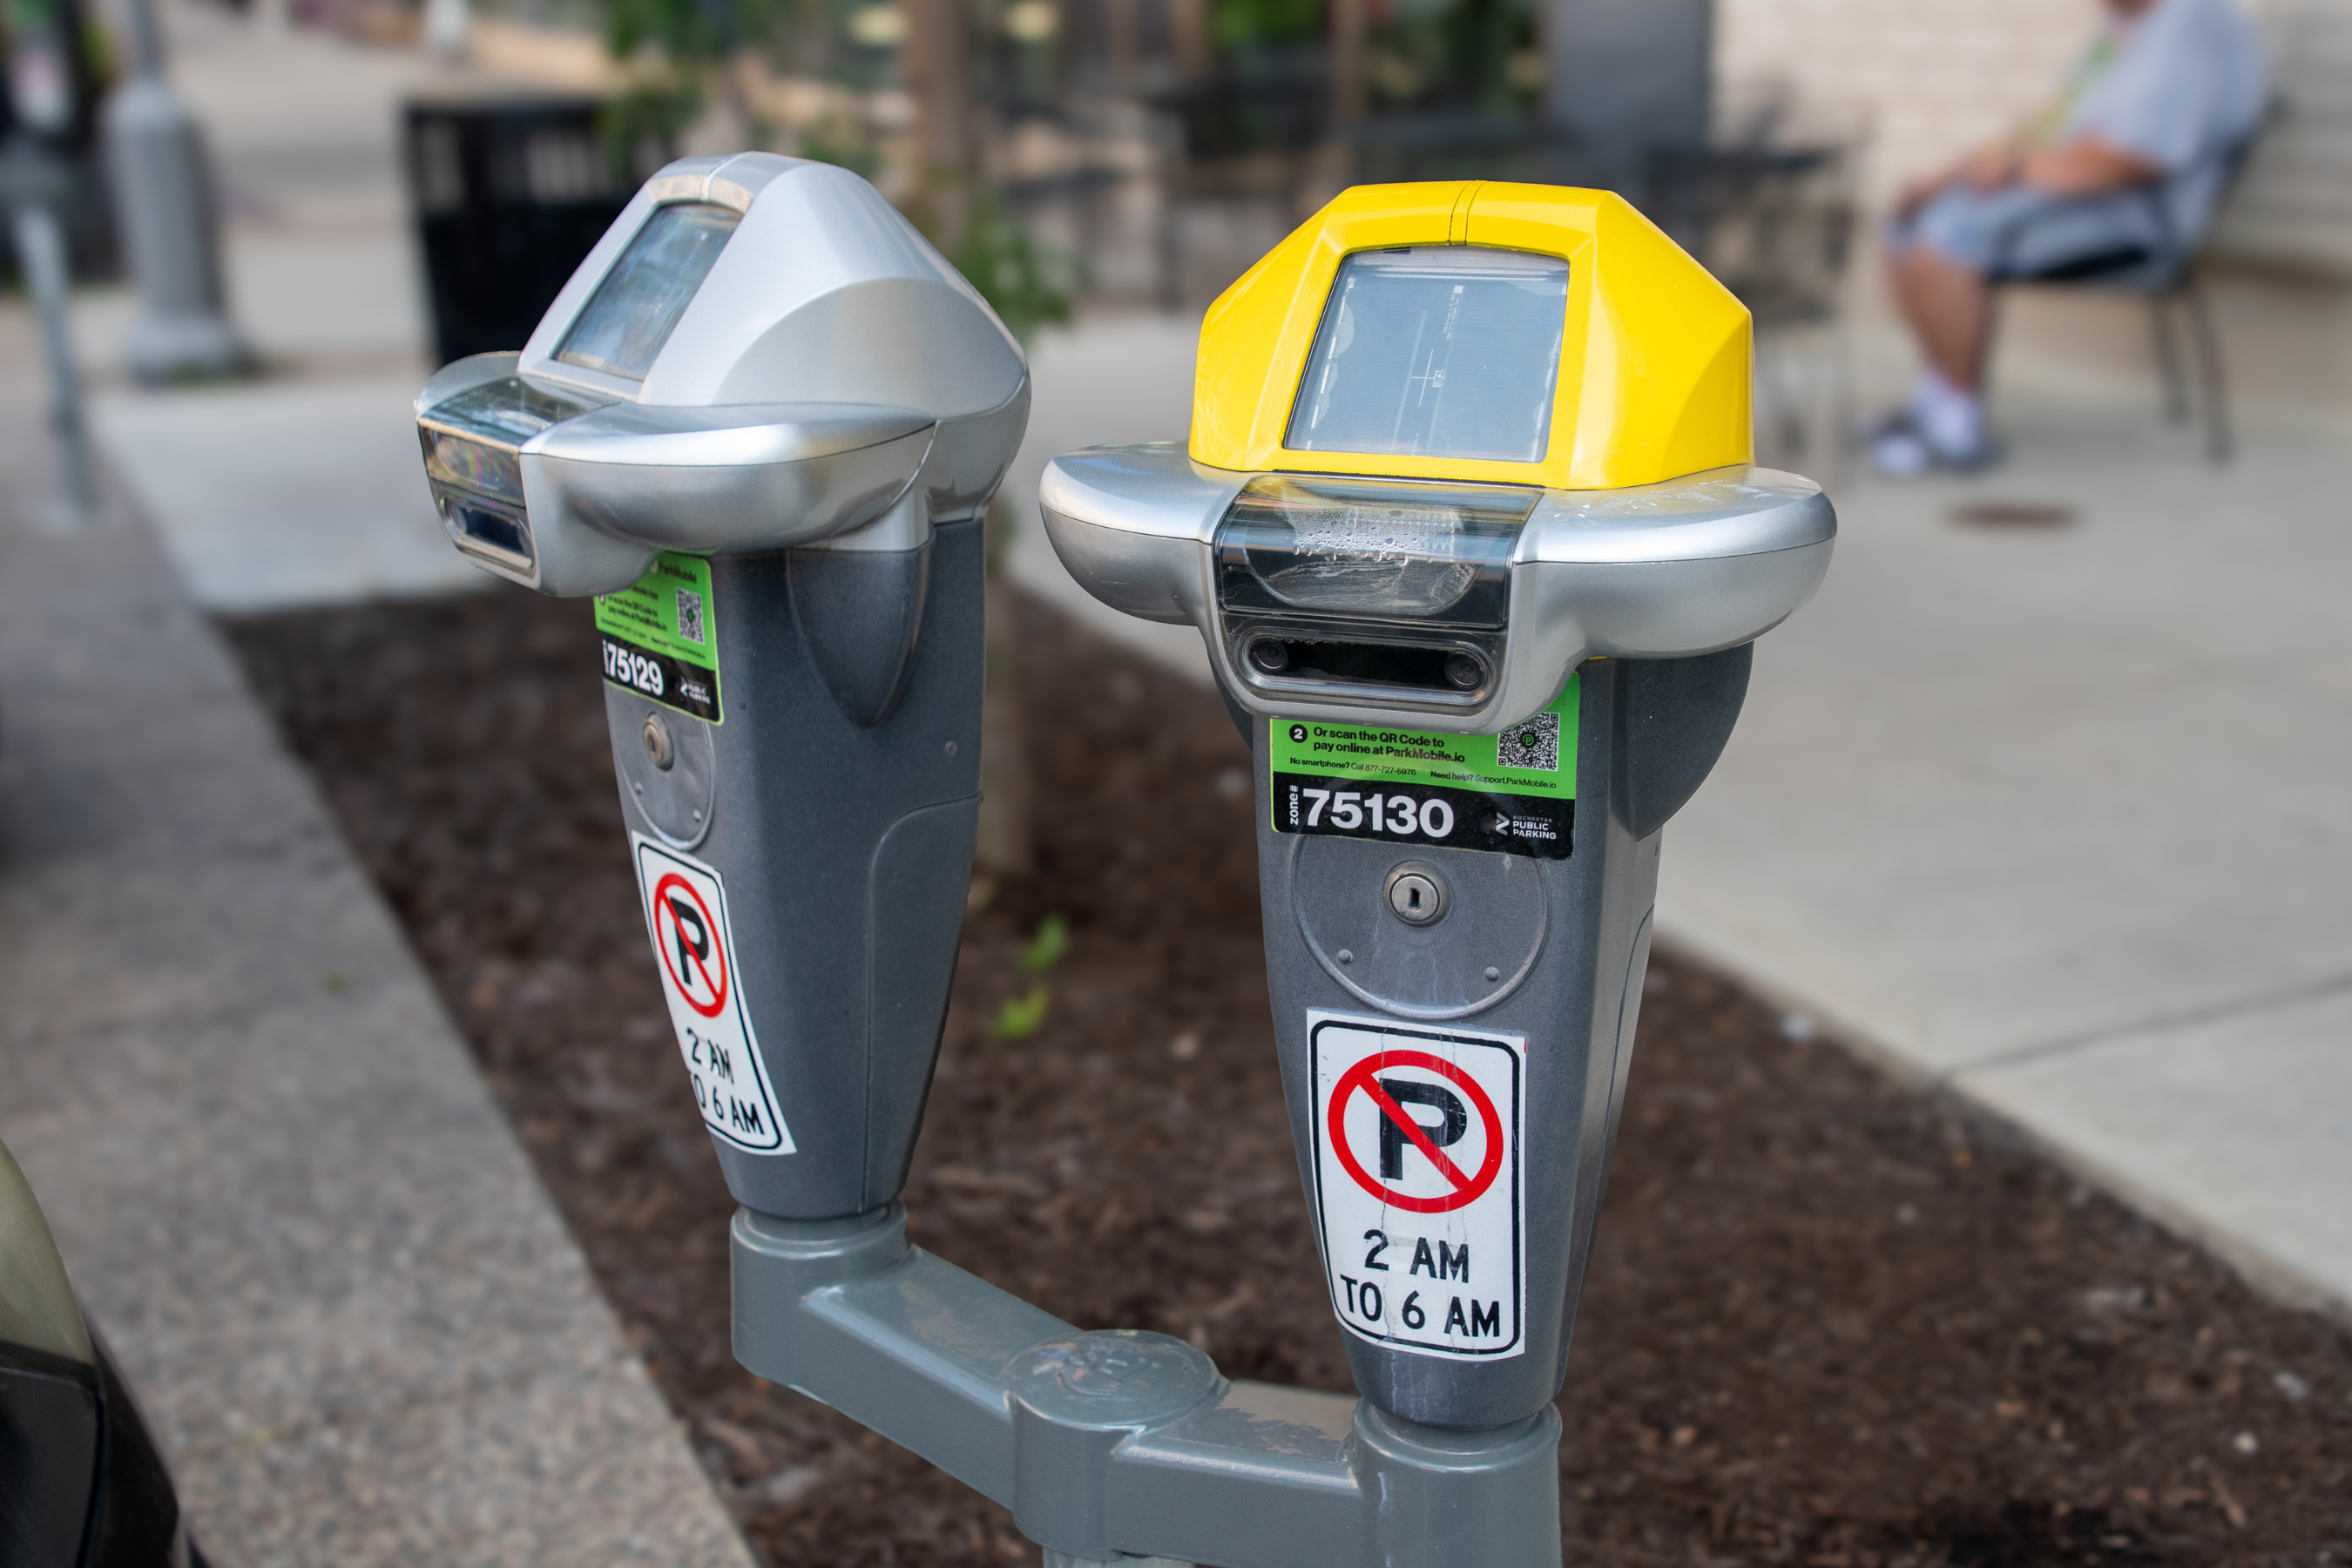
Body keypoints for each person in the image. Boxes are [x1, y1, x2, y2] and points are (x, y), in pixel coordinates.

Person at [1870, 0, 2269, 474]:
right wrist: (1942, 180)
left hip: (2139, 217)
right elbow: (2042, 129)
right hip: (2066, 199)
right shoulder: (2119, 29)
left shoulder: (2191, 21)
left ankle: (1957, 431)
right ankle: (1934, 400)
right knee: (1906, 221)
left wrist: (2015, 170)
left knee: (1950, 235)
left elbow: (2135, 158)